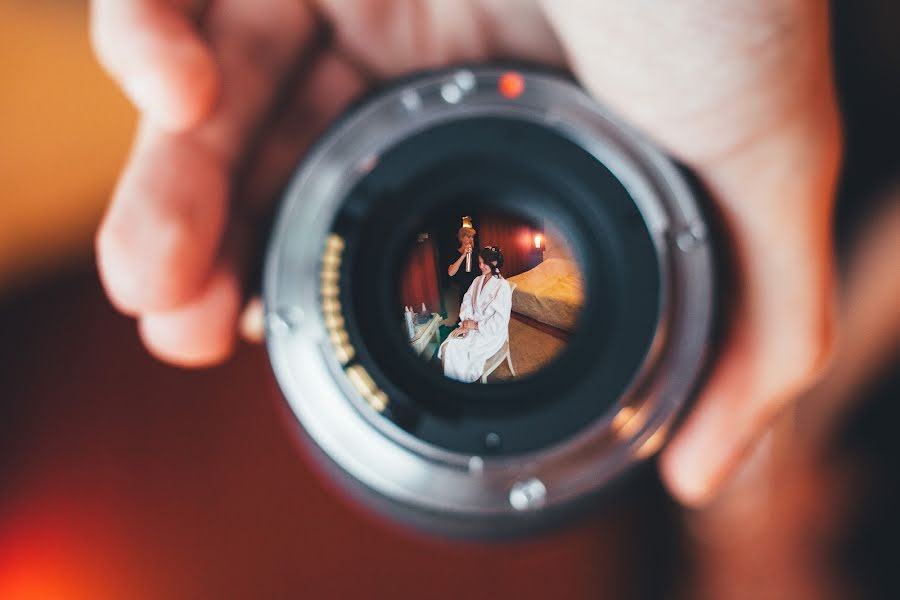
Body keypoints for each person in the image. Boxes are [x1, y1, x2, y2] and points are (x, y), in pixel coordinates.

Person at [89, 0, 842, 507]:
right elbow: (458, 288)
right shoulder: (474, 280)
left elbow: (483, 307)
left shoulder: (503, 294)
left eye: (490, 263)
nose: (484, 265)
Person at [439, 247, 512, 383]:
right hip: (471, 324)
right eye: (479, 263)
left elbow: (501, 320)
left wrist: (476, 325)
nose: (481, 266)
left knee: (458, 351)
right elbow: (467, 301)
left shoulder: (503, 286)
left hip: (489, 332)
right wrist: (467, 322)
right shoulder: (477, 280)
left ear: (494, 263)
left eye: (484, 263)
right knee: (447, 347)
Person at [446, 226, 478, 319]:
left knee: (477, 310)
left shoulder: (475, 252)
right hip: (464, 287)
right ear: (461, 238)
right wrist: (463, 255)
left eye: (472, 237)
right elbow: (450, 273)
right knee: (465, 312)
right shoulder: (454, 253)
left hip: (476, 285)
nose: (471, 239)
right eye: (468, 236)